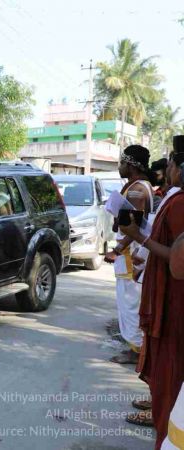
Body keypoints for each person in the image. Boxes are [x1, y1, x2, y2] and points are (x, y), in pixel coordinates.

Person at [120, 145, 184, 447]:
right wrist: (148, 256)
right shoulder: (173, 198)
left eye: (171, 164)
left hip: (174, 305)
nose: (167, 170)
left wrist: (137, 237)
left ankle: (164, 431)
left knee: (170, 376)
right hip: (165, 295)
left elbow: (178, 259)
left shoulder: (180, 203)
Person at [104, 145, 153, 365]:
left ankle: (137, 351)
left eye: (122, 163)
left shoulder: (137, 190)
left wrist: (116, 250)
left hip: (131, 256)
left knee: (131, 305)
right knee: (130, 303)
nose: (119, 167)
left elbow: (133, 228)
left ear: (131, 165)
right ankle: (137, 348)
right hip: (130, 255)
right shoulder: (137, 186)